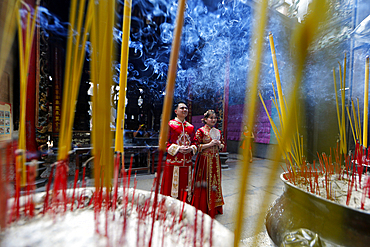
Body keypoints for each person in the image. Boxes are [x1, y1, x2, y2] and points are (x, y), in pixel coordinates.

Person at [160, 101, 197, 203]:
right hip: (173, 162)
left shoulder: (191, 127)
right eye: (182, 108)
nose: (184, 110)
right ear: (176, 111)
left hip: (187, 163)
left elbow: (195, 142)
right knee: (171, 187)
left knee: (186, 187)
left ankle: (185, 207)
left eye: (186, 108)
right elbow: (163, 142)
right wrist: (178, 148)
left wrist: (191, 148)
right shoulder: (170, 125)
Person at [191, 110, 224, 217]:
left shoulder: (218, 131)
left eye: (215, 118)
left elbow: (222, 146)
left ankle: (215, 206)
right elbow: (196, 146)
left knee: (215, 183)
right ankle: (203, 206)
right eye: (211, 118)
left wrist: (219, 145)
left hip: (215, 160)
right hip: (204, 161)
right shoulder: (200, 131)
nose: (213, 120)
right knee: (205, 183)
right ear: (205, 119)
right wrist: (209, 144)